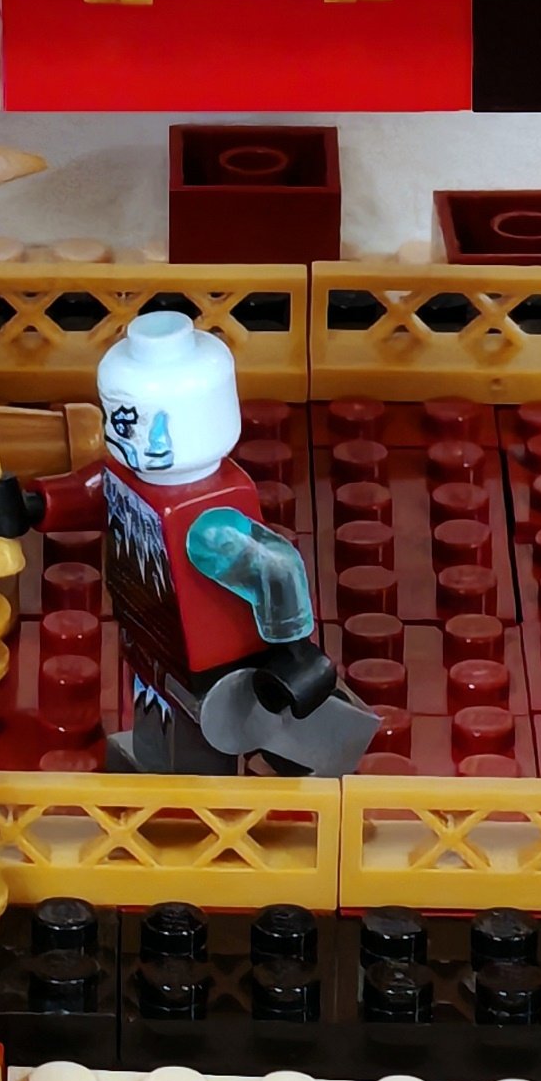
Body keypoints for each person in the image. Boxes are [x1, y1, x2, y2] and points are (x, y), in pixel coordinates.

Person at [88, 309, 374, 777]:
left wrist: (293, 652)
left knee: (199, 738)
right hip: (148, 634)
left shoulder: (206, 520)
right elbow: (89, 494)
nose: (143, 440)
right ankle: (157, 771)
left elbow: (274, 566)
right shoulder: (124, 480)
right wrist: (31, 505)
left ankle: (203, 794)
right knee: (153, 709)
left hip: (211, 666)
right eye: (124, 422)